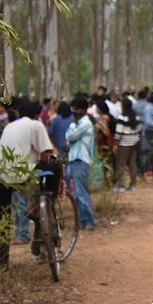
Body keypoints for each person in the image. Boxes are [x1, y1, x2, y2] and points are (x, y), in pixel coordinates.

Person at [0, 100, 53, 267]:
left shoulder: (9, 126)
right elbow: (45, 153)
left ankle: (3, 262)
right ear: (37, 114)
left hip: (3, 173)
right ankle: (39, 225)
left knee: (4, 217)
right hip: (24, 174)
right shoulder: (36, 125)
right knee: (37, 201)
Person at [65, 97, 97, 231]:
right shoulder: (78, 123)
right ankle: (82, 221)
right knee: (75, 192)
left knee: (81, 192)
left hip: (81, 160)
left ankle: (88, 221)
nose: (74, 111)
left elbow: (70, 137)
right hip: (73, 159)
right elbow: (68, 139)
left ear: (84, 110)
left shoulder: (84, 123)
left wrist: (72, 128)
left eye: (77, 109)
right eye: (73, 108)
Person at [113, 97, 141, 192]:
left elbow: (118, 132)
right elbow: (139, 129)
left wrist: (116, 143)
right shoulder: (135, 116)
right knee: (133, 163)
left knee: (121, 164)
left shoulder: (122, 116)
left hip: (124, 143)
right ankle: (133, 185)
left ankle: (120, 186)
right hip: (135, 142)